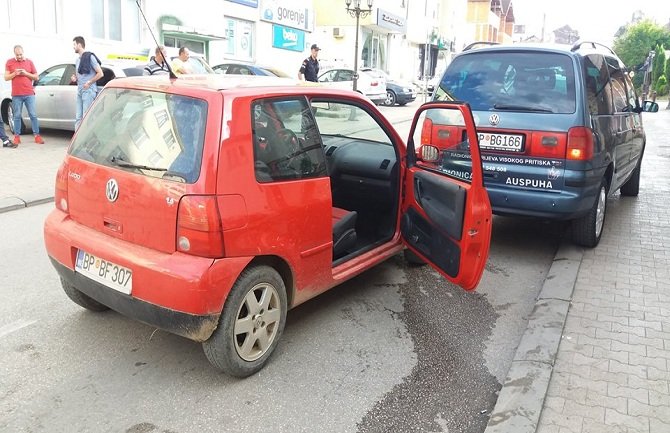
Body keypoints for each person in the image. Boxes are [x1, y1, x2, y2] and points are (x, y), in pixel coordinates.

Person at [4, 45, 43, 145]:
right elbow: (6, 77)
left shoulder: (29, 62)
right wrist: (15, 74)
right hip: (16, 95)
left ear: (23, 52)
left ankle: (37, 136)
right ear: (14, 54)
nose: (19, 56)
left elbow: (36, 77)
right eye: (17, 55)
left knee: (33, 115)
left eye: (21, 54)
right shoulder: (9, 62)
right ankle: (17, 137)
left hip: (29, 94)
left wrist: (25, 73)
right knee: (16, 116)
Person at [72, 36, 103, 130]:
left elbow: (100, 73)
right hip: (80, 90)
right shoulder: (77, 60)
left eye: (74, 44)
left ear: (79, 45)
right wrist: (75, 78)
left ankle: (87, 141)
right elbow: (79, 76)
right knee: (78, 118)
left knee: (87, 117)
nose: (73, 47)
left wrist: (89, 82)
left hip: (88, 90)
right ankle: (77, 142)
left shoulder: (90, 57)